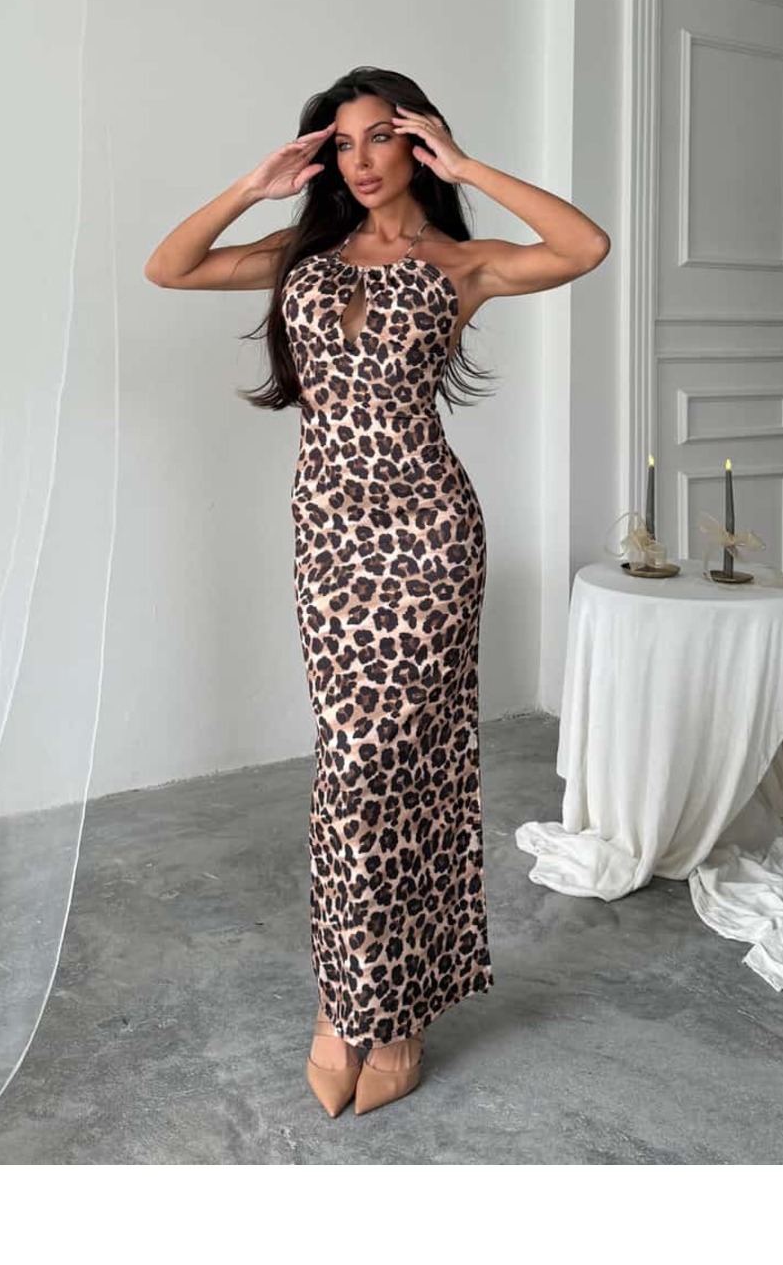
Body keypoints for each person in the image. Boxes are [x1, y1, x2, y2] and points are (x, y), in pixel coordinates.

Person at [145, 66, 610, 1117]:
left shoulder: (460, 264)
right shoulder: (298, 256)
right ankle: (346, 999)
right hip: (332, 542)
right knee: (352, 770)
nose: (360, 160)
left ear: (417, 145)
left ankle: (391, 1014)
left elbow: (584, 246)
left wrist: (472, 168)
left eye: (381, 138)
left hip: (431, 538)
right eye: (342, 142)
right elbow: (168, 267)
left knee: (406, 767)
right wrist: (252, 186)